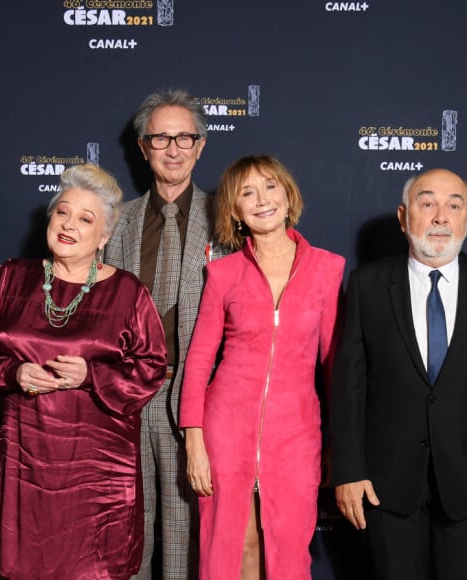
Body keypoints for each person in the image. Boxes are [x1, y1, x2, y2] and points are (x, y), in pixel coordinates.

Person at [330, 168, 467, 580]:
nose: (441, 216)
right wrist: (349, 471)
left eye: (454, 206)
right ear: (405, 218)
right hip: (386, 486)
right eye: (428, 204)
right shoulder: (368, 285)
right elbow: (348, 387)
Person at [0, 164, 167, 580]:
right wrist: (13, 374)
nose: (69, 225)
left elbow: (151, 369)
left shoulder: (128, 292)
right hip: (25, 465)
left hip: (99, 477)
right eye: (62, 212)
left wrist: (92, 375)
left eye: (86, 219)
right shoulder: (10, 279)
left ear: (103, 237)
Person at [179, 155, 345, 579]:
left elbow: (333, 367)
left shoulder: (328, 268)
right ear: (234, 211)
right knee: (235, 547)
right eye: (246, 193)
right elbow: (199, 360)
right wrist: (194, 442)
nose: (261, 200)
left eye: (270, 186)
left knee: (288, 551)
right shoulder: (223, 273)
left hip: (297, 433)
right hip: (224, 430)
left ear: (288, 196)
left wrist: (336, 443)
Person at [105, 89, 223, 580]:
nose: (173, 149)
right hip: (123, 397)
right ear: (142, 147)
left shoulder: (230, 217)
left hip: (197, 400)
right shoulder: (115, 220)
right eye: (161, 138)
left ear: (200, 146)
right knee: (125, 535)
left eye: (184, 138)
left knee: (187, 541)